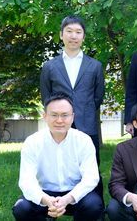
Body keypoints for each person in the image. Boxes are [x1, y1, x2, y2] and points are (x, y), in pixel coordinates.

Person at [12, 93, 103, 221]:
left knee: (94, 205)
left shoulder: (84, 141)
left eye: (65, 115)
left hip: (74, 194)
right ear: (45, 116)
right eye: (54, 115)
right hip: (45, 193)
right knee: (21, 208)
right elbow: (26, 181)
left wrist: (67, 199)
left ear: (72, 117)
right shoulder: (32, 142)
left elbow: (91, 178)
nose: (59, 120)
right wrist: (46, 200)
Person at [40, 15, 104, 163]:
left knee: (91, 165)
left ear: (83, 36)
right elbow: (46, 96)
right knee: (60, 163)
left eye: (78, 32)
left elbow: (98, 96)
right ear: (61, 35)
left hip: (87, 124)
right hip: (59, 124)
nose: (73, 36)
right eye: (69, 31)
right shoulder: (50, 66)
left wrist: (85, 109)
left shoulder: (95, 66)